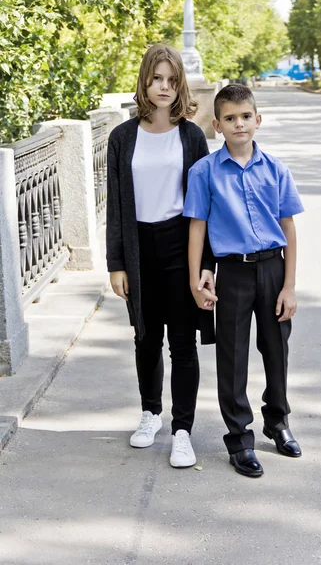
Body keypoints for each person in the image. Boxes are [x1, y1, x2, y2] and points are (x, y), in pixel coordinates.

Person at [183, 84, 304, 478]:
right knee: (232, 357)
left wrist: (288, 285)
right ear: (217, 126)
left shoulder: (276, 169)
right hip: (232, 272)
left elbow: (288, 228)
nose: (239, 124)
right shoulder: (204, 172)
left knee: (276, 351)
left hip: (272, 269)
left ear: (258, 120)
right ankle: (239, 438)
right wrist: (195, 279)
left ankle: (278, 421)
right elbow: (197, 227)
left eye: (245, 117)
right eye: (230, 119)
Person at [106, 44, 215, 469]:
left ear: (180, 83)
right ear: (145, 82)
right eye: (157, 79)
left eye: (171, 80)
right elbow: (115, 204)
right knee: (146, 338)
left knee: (183, 344)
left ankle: (183, 430)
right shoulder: (121, 137)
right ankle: (150, 413)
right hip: (138, 248)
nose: (164, 87)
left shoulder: (190, 136)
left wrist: (207, 265)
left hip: (180, 246)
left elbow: (204, 208)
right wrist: (116, 263)